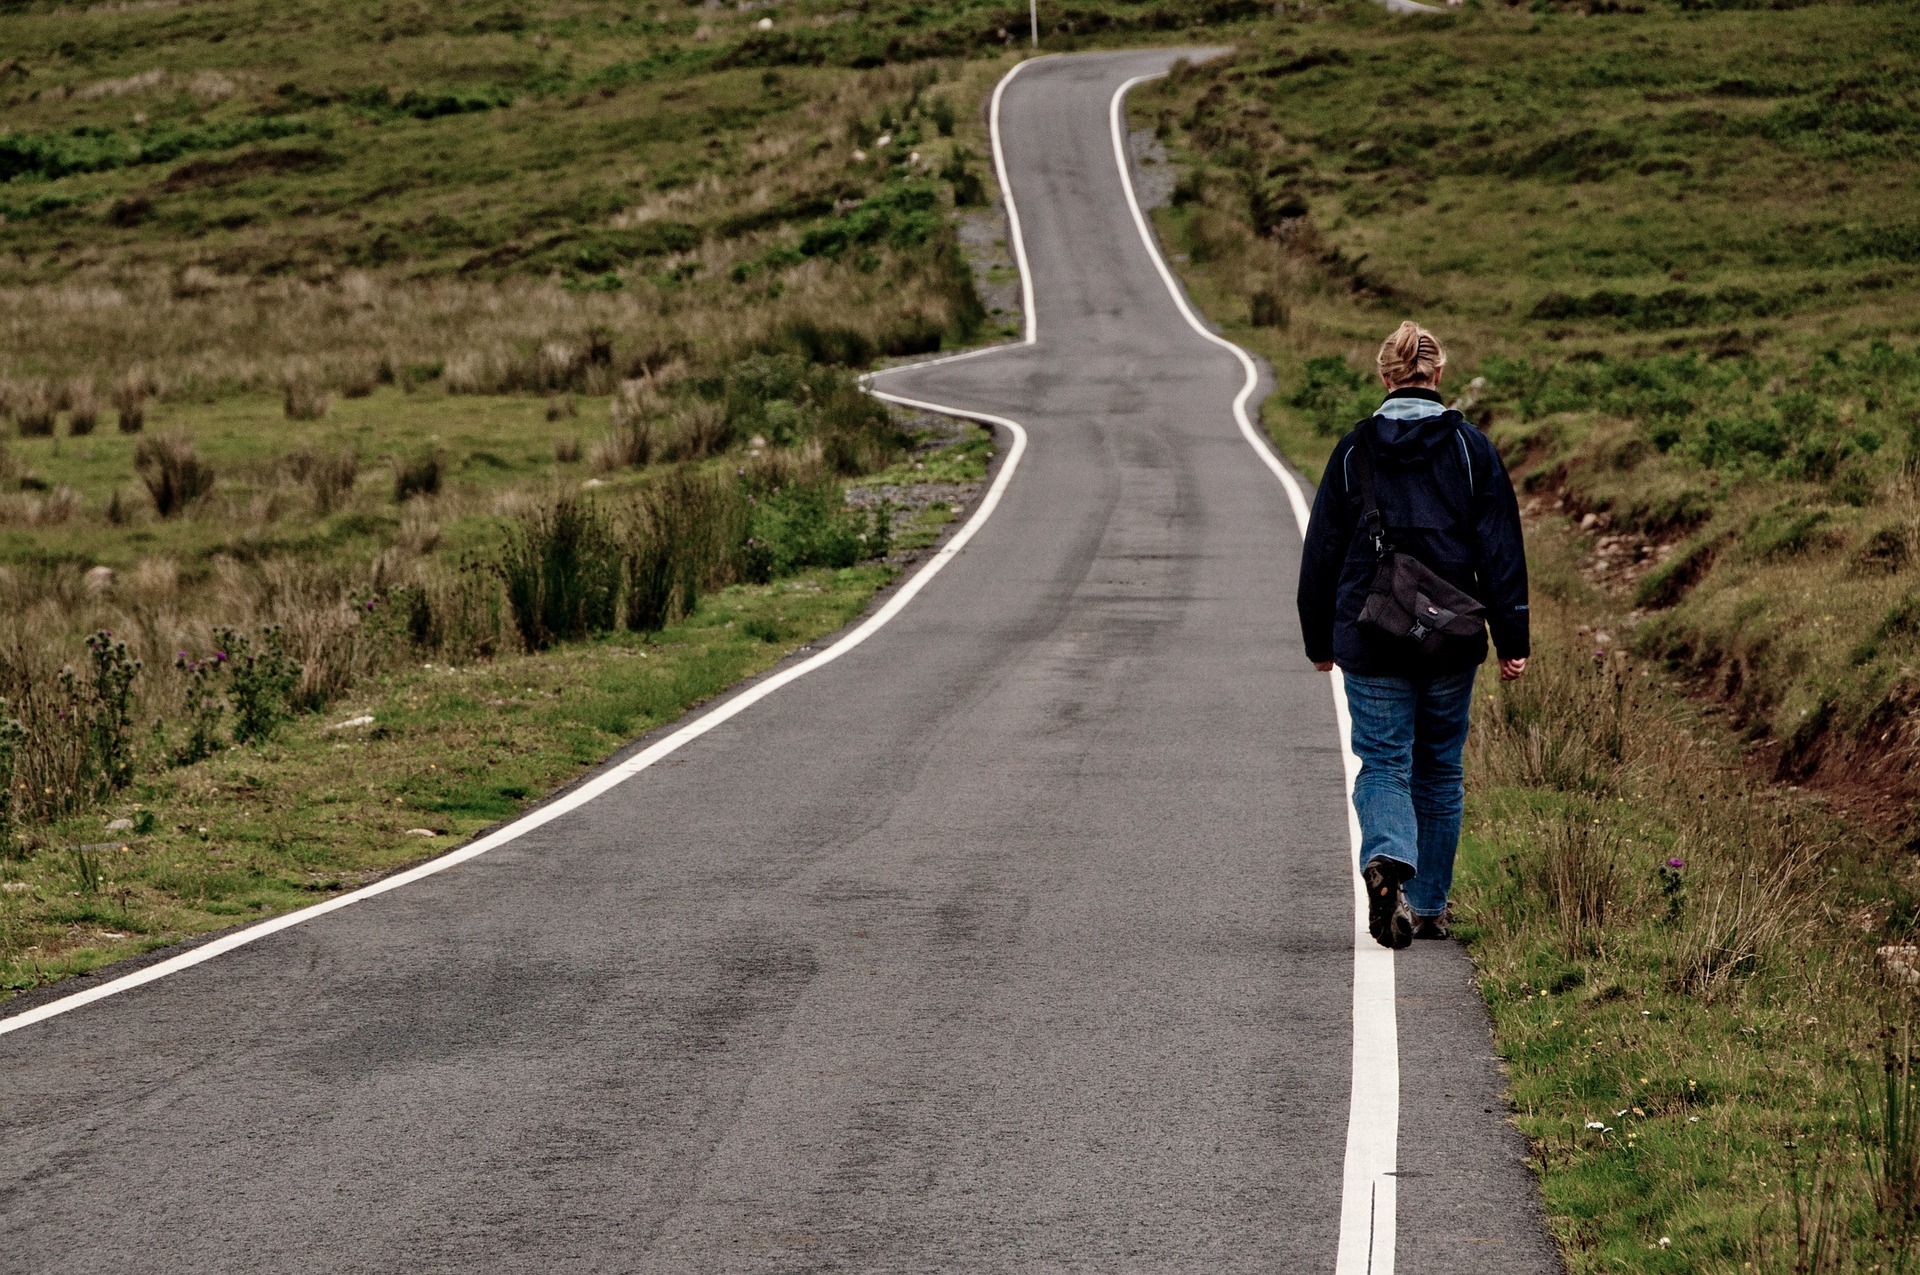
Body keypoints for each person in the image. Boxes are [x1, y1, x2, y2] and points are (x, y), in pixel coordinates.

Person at [1297, 322, 1529, 949]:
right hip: (1451, 637)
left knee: (1384, 761)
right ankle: (1427, 908)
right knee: (1439, 770)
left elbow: (1320, 553)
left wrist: (1319, 639)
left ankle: (1388, 859)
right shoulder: (1470, 449)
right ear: (1439, 376)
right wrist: (1512, 640)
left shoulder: (1354, 451)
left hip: (1371, 634)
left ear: (1385, 378)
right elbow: (1500, 549)